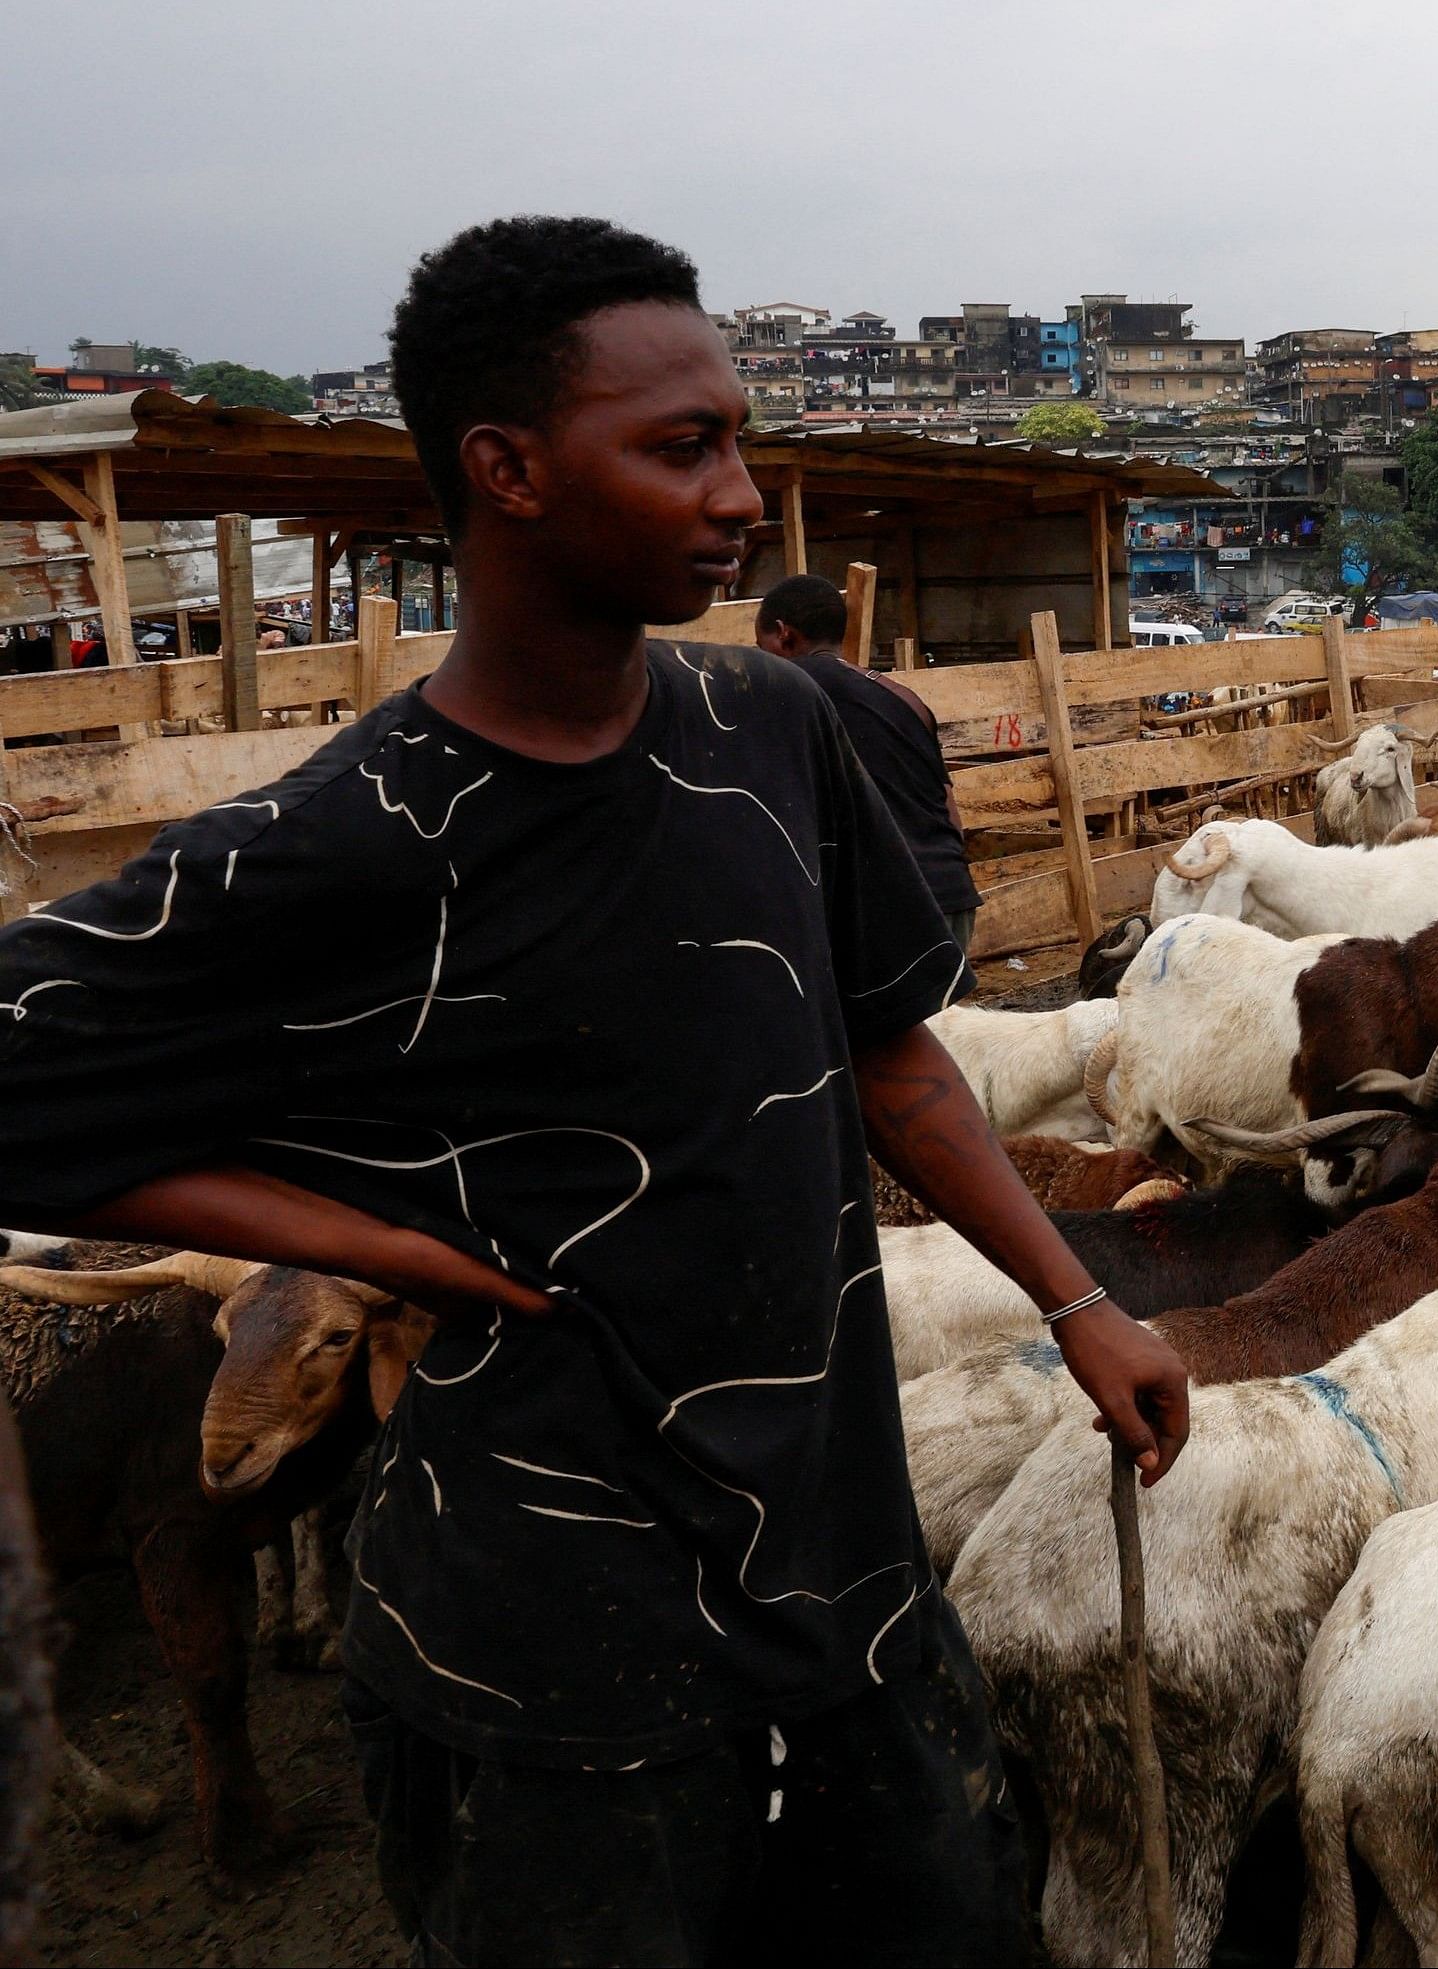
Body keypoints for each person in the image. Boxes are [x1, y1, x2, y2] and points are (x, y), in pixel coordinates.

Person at [0, 216, 1188, 1963]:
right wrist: (363, 1240)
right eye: (683, 446)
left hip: (848, 1579)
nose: (737, 491)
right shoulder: (359, 830)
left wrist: (1078, 1295)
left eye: (738, 436)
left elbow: (886, 1047)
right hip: (544, 1655)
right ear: (510, 469)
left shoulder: (775, 733)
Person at [751, 575, 979, 965]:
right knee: (941, 1026)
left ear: (783, 634)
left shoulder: (787, 693)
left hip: (882, 908)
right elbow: (953, 819)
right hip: (950, 898)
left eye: (761, 647)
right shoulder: (904, 698)